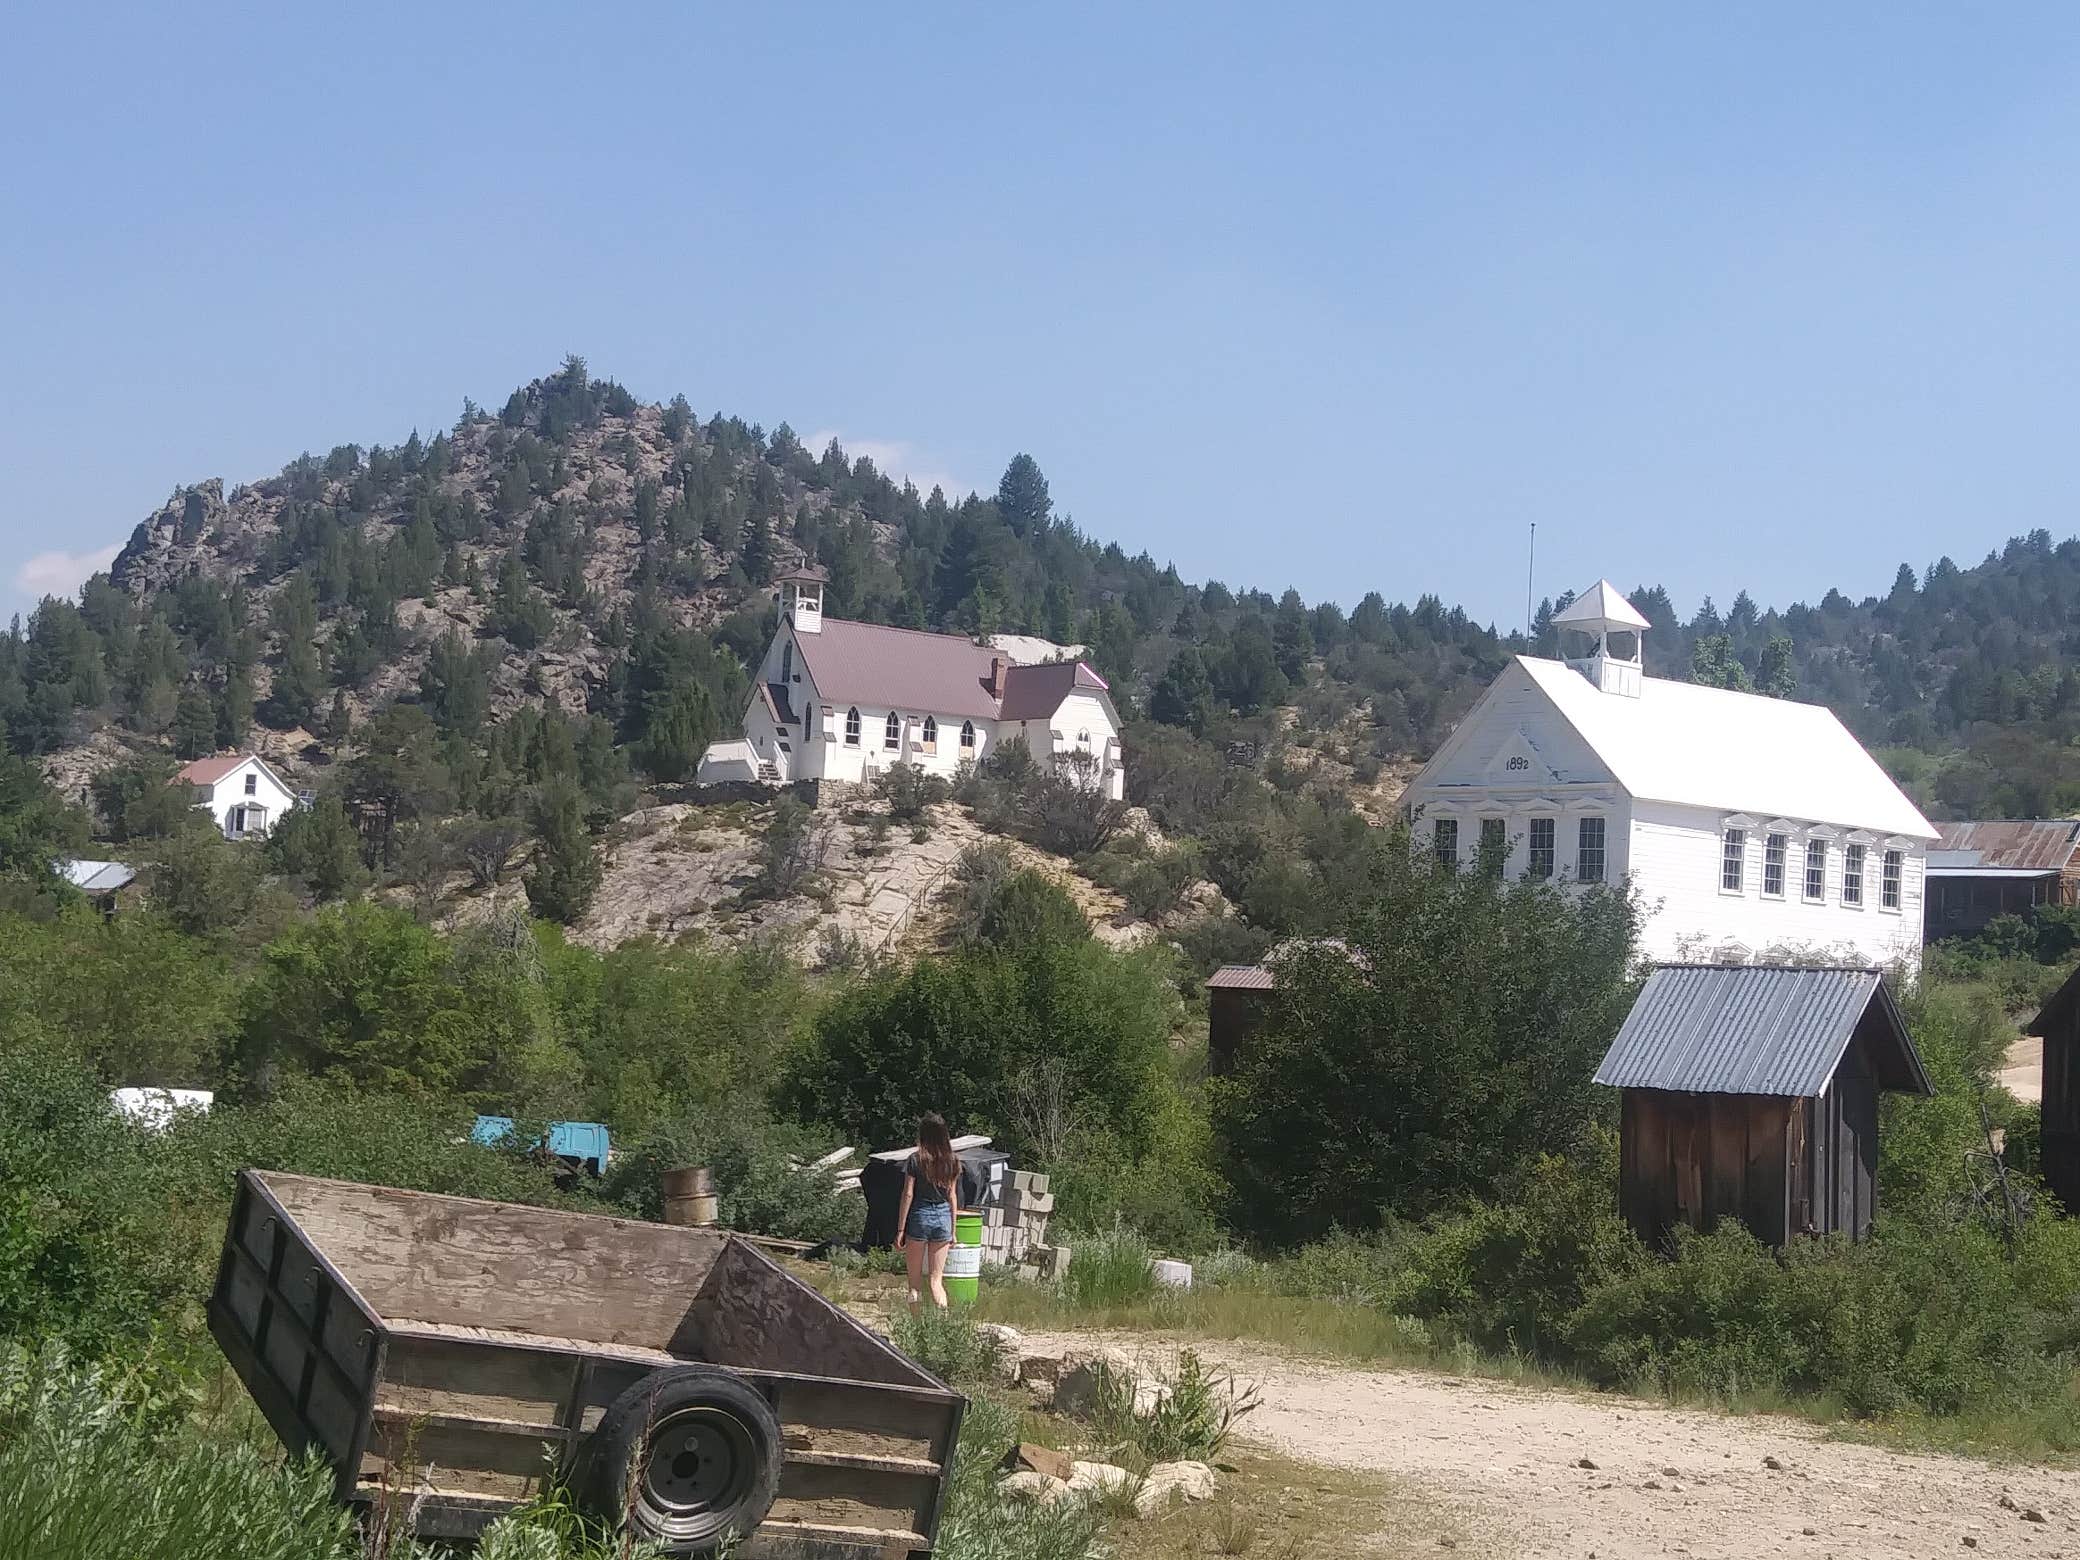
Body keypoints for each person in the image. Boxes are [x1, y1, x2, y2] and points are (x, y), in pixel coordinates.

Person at [894, 1112, 961, 1312]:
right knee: (936, 1281)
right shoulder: (952, 1160)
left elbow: (908, 1194)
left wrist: (900, 1230)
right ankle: (943, 1322)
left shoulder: (915, 1160)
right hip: (943, 1218)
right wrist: (953, 1230)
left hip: (920, 1216)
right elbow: (952, 1196)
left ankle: (916, 1325)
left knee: (914, 1284)